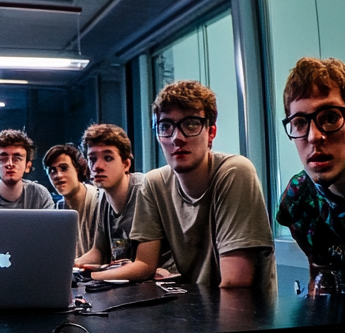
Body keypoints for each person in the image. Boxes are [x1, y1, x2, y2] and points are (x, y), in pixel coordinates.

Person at [99, 81, 276, 293]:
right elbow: (144, 266)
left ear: (211, 133)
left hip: (246, 319)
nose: (177, 138)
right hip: (196, 310)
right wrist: (85, 279)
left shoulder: (234, 172)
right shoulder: (155, 183)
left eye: (191, 124)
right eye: (165, 126)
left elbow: (236, 284)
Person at [275, 57, 345, 292]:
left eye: (329, 118)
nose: (313, 137)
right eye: (299, 123)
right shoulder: (297, 198)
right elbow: (320, 275)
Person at [70, 125, 148, 267]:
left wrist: (97, 274)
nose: (97, 166)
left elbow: (144, 264)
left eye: (108, 158)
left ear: (126, 164)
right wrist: (68, 265)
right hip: (123, 278)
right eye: (92, 159)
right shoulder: (103, 196)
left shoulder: (142, 190)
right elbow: (99, 251)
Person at [43, 143, 99, 257]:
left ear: (77, 169)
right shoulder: (60, 208)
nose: (58, 175)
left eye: (64, 168)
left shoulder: (98, 201)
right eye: (52, 170)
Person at [0, 129, 54, 209]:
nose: (9, 164)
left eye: (17, 159)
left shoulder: (39, 195)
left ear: (27, 166)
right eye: (3, 158)